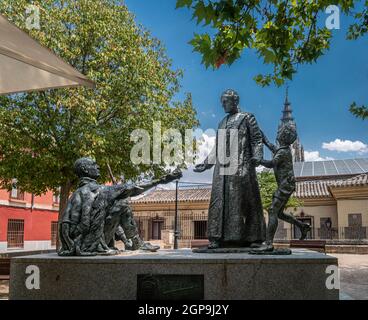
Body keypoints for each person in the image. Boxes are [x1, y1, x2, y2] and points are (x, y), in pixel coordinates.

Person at [59, 157, 181, 256]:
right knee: (122, 204)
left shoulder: (77, 193)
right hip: (89, 243)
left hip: (78, 243)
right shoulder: (96, 190)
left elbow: (69, 226)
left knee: (117, 206)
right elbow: (132, 188)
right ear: (85, 169)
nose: (98, 166)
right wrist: (161, 180)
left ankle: (134, 242)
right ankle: (136, 243)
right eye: (93, 164)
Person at [194, 89, 266, 249]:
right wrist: (206, 163)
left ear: (235, 101)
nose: (223, 105)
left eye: (225, 102)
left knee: (243, 201)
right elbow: (217, 147)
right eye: (222, 102)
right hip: (221, 170)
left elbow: (256, 139)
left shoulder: (247, 118)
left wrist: (257, 156)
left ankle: (252, 238)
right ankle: (217, 238)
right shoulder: (222, 122)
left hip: (241, 164)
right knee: (219, 202)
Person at [256, 123, 311, 253]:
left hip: (286, 185)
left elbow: (271, 163)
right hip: (287, 184)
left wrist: (258, 160)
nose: (277, 133)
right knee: (279, 213)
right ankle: (302, 226)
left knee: (272, 211)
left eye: (280, 132)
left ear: (284, 136)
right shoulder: (283, 150)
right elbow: (273, 148)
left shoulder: (283, 152)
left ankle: (268, 243)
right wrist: (264, 139)